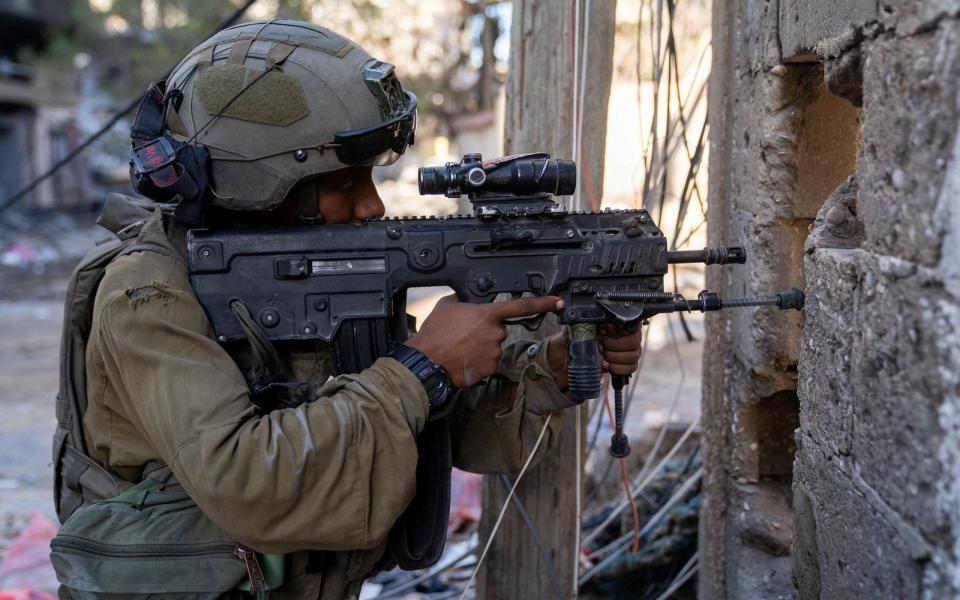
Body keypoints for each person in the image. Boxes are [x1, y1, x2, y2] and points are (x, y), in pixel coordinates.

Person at [69, 19, 642, 599]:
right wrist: (425, 367)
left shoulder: (305, 270)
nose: (371, 206)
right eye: (345, 183)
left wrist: (549, 365)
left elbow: (416, 425)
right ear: (261, 183)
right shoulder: (148, 295)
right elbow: (249, 483)